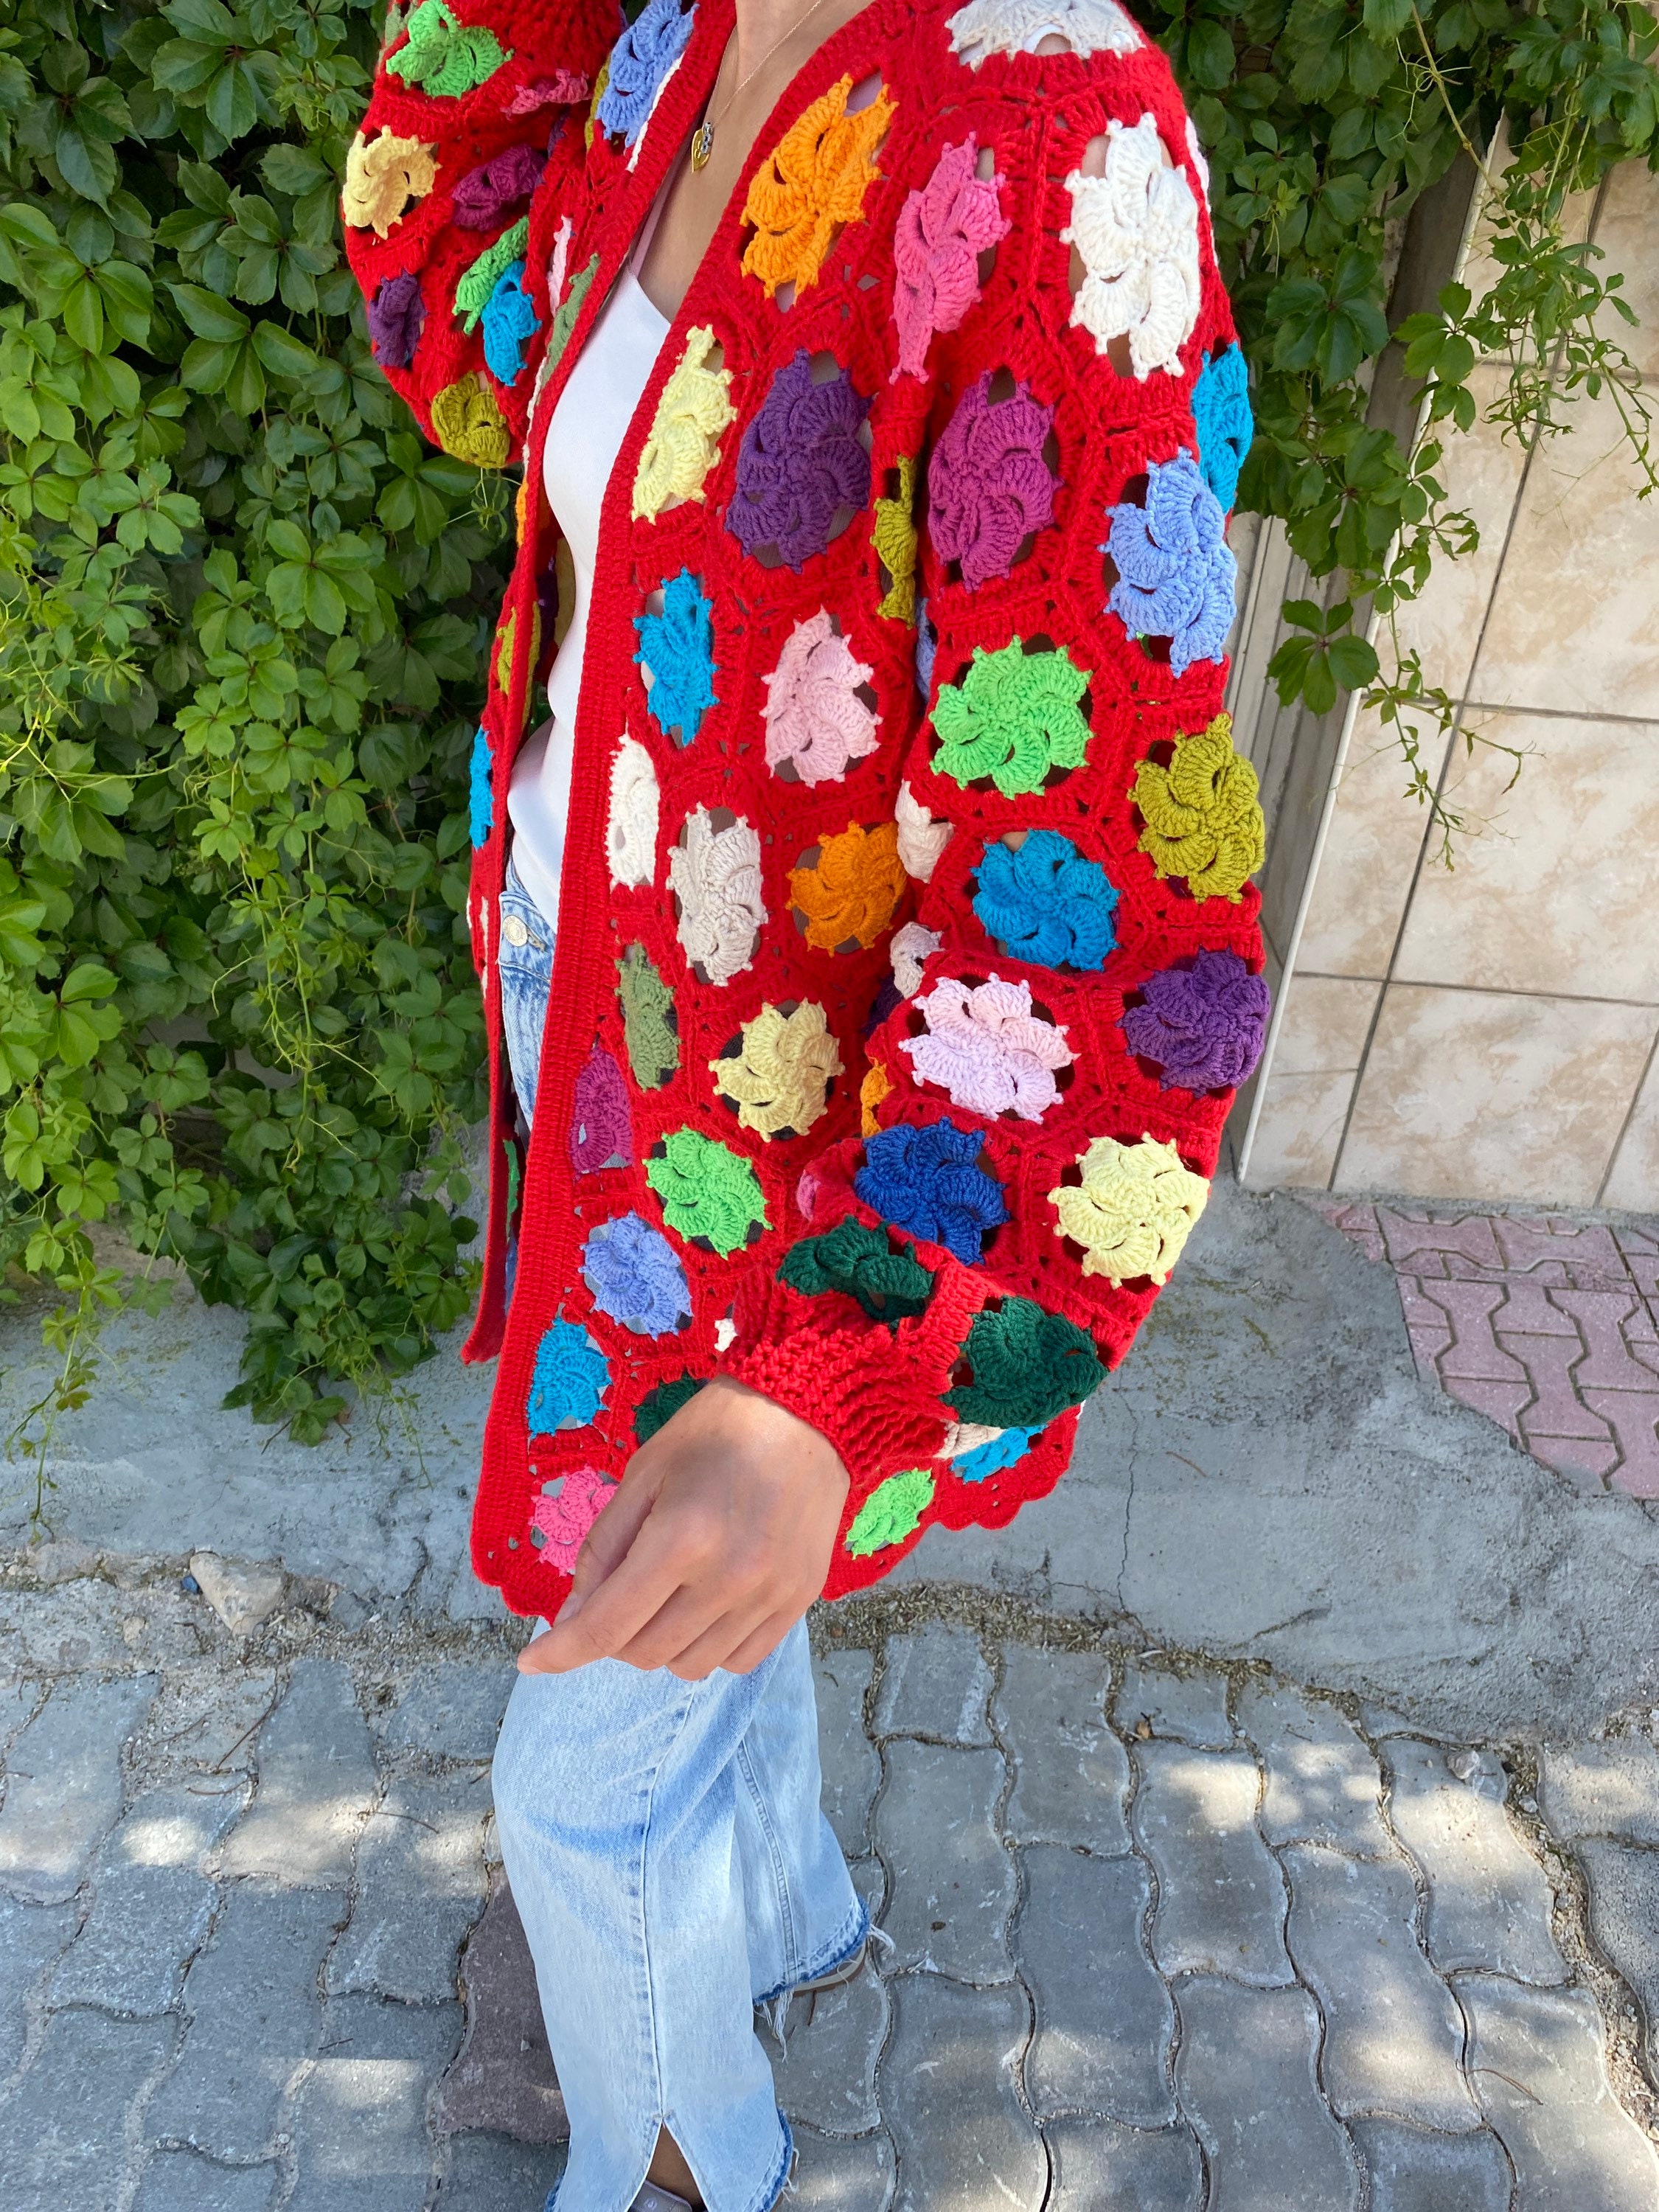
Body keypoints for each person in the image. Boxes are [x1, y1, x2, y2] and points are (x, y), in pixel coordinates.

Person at [344, 0, 1265, 2199]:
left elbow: (1110, 906)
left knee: (579, 1772)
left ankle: (680, 2161)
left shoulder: (1044, 132)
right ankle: (788, 1914)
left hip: (809, 1167)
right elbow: (453, 325)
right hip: (607, 1032)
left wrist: (838, 1376)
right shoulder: (669, 41)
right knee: (703, 1639)